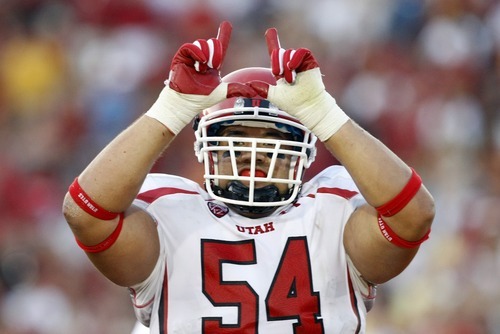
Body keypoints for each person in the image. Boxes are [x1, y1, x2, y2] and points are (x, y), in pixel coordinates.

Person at [62, 21, 435, 333]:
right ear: (205, 146)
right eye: (235, 138)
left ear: (306, 149)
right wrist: (171, 108)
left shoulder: (332, 208)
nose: (251, 154)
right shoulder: (169, 213)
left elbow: (413, 217)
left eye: (274, 139)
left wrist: (324, 114)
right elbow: (86, 214)